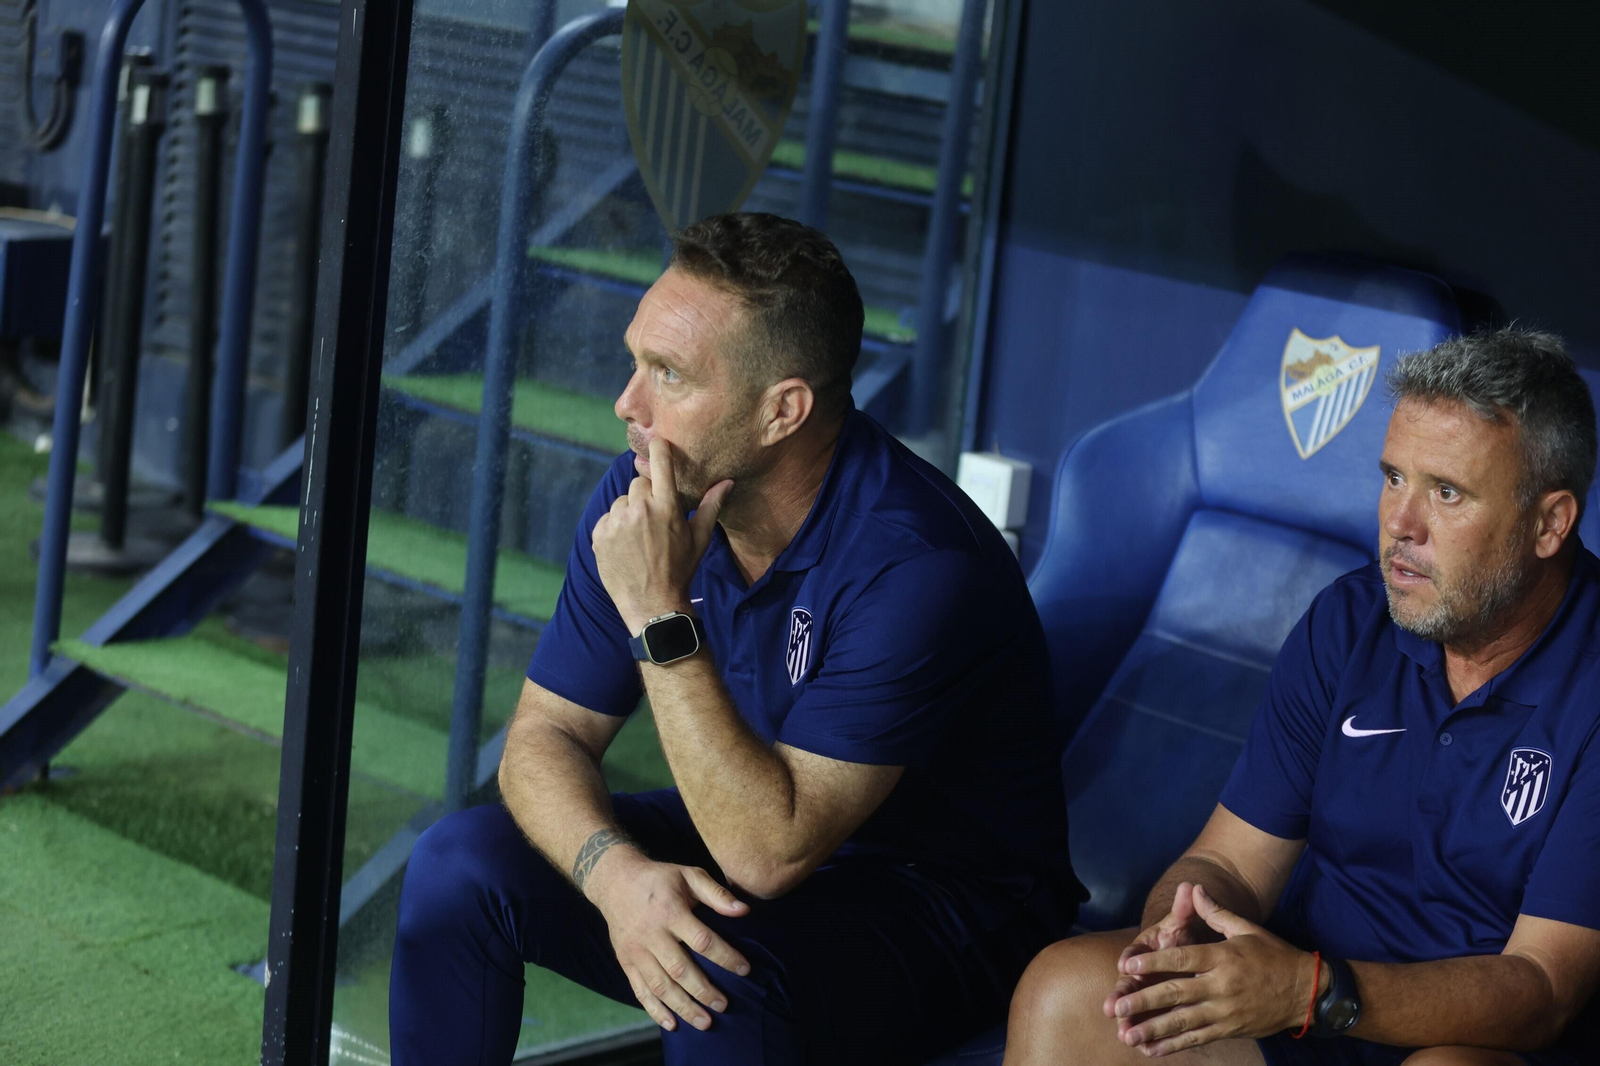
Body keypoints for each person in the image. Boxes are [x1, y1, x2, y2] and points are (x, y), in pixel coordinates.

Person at [389, 212, 1084, 1065]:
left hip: (947, 904)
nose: (627, 404)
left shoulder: (919, 563)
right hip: (754, 824)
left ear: (782, 410)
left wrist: (657, 613)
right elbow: (546, 736)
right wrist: (617, 877)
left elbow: (766, 855)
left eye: (668, 375)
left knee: (724, 984)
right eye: (636, 360)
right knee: (462, 865)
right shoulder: (647, 487)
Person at [1004, 329, 1600, 1065]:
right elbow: (1227, 863)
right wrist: (1176, 926)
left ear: (1550, 523)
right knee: (1066, 991)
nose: (1399, 525)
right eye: (1392, 479)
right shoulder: (1351, 621)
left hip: (1464, 1037)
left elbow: (1542, 988)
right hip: (1300, 1004)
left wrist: (1312, 991)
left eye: (1446, 493)